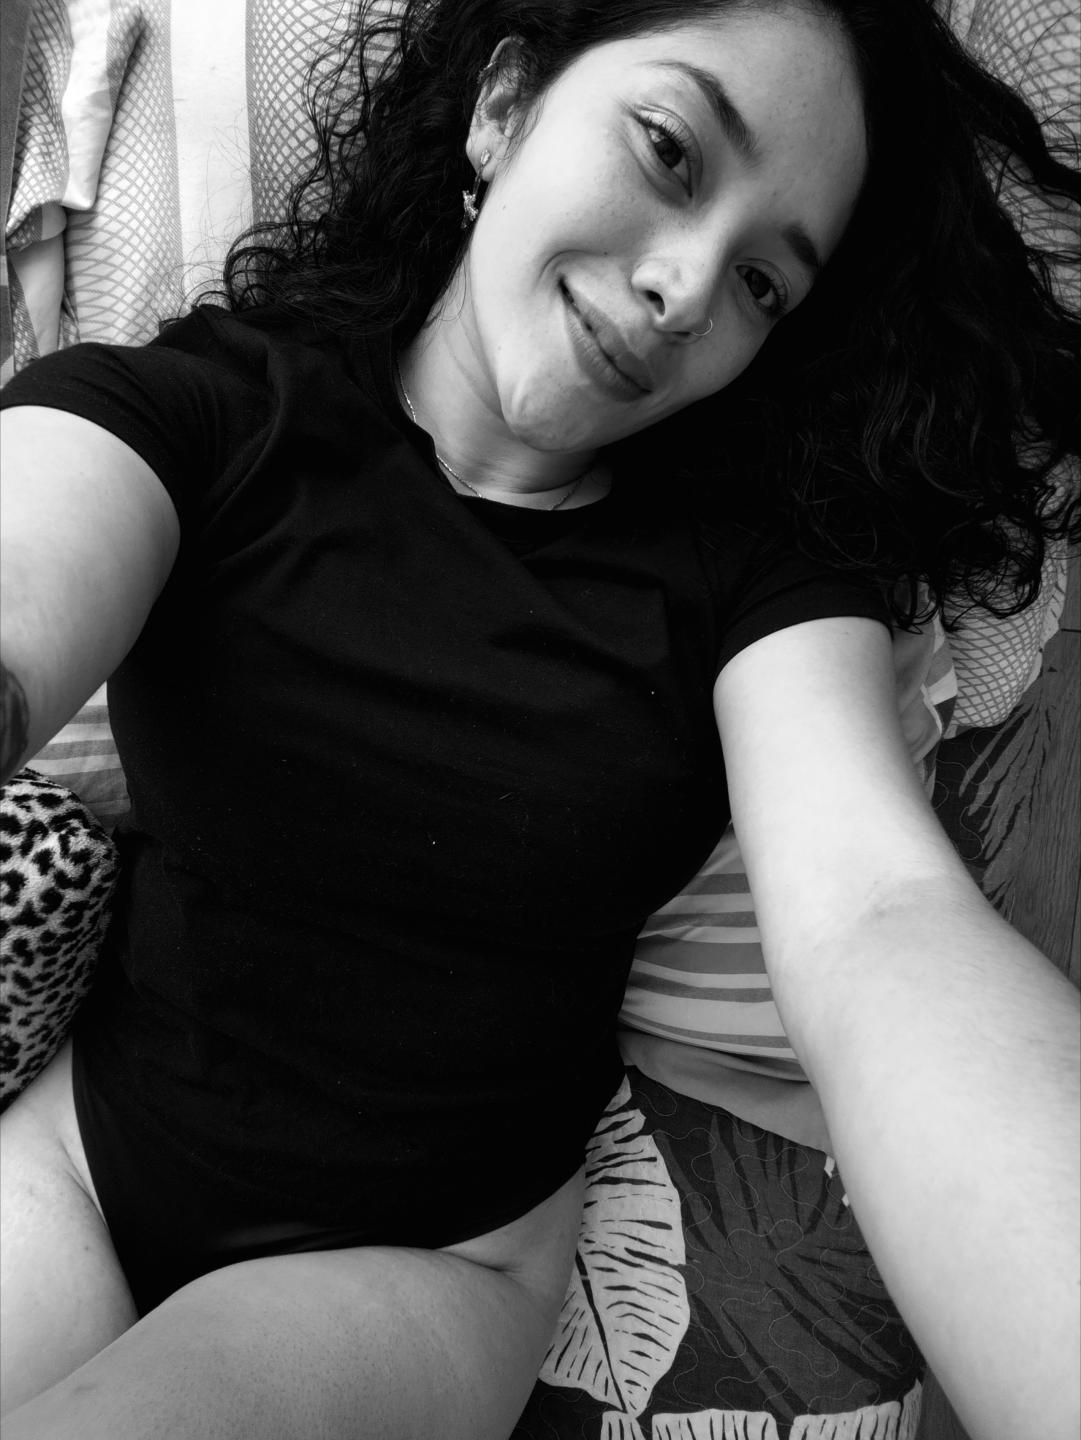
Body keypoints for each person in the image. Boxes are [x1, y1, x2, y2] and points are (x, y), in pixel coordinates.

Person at [0, 1, 1078, 1437]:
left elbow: (877, 913)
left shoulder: (759, 584)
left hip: (419, 1263)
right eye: (669, 150)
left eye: (763, 282)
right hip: (84, 1155)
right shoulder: (213, 410)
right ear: (503, 108)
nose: (688, 290)